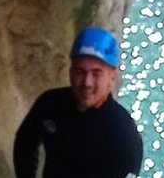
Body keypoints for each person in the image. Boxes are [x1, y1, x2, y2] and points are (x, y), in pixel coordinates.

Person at [13, 27, 143, 178]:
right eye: (80, 72)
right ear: (70, 73)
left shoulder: (124, 136)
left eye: (96, 74)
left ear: (112, 78)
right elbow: (25, 142)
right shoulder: (50, 104)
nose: (87, 83)